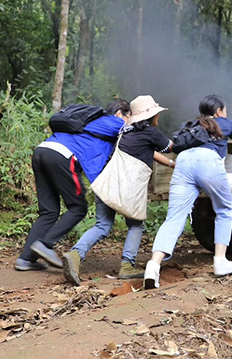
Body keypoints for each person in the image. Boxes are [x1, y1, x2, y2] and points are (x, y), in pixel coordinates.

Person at [144, 94, 232, 288]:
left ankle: (153, 265)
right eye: (225, 110)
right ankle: (220, 261)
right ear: (219, 111)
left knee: (174, 217)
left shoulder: (191, 125)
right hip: (208, 162)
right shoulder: (225, 123)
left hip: (183, 162)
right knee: (224, 210)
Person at [62, 95, 175, 285]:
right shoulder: (150, 133)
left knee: (102, 226)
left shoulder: (125, 130)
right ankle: (127, 266)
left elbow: (151, 153)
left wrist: (172, 164)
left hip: (108, 184)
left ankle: (74, 255)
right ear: (151, 116)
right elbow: (171, 146)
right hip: (126, 190)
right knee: (136, 225)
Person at [15, 99, 128, 271]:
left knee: (49, 211)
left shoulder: (90, 121)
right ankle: (45, 244)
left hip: (42, 150)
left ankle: (26, 259)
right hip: (63, 156)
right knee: (78, 207)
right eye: (129, 116)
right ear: (120, 113)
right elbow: (133, 131)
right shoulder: (113, 121)